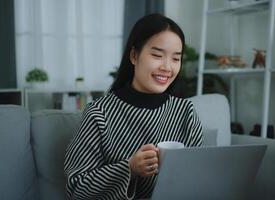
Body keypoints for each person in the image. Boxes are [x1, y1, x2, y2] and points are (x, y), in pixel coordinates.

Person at [64, 13, 202, 200]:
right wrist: (129, 168)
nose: (167, 67)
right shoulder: (99, 113)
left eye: (176, 59)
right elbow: (76, 187)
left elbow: (199, 177)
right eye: (157, 55)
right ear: (134, 55)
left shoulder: (185, 112)